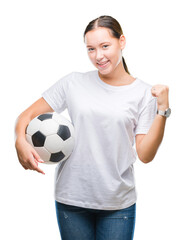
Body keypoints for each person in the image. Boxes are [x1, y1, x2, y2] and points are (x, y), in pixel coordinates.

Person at [15, 15, 171, 240]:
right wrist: (20, 139)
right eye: (91, 49)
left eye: (105, 46)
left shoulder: (144, 94)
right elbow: (26, 116)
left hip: (118, 204)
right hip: (71, 200)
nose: (98, 56)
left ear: (122, 42)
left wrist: (162, 111)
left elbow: (145, 155)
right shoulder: (73, 83)